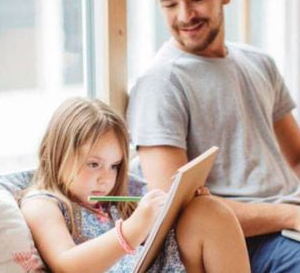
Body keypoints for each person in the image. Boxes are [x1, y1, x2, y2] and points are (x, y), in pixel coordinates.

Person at [126, 0, 300, 271]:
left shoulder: (259, 63)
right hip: (246, 241)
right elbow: (173, 208)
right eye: (169, 4)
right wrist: (295, 216)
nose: (184, 15)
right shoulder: (160, 84)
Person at [20, 97, 250, 273]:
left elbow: (147, 246)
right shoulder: (43, 203)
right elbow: (67, 265)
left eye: (114, 166)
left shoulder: (110, 199)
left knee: (208, 212)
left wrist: (178, 207)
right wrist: (133, 228)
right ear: (57, 153)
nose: (105, 178)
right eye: (93, 164)